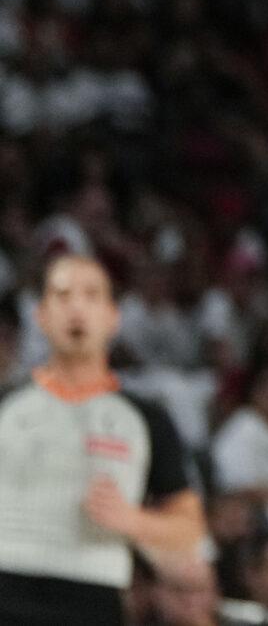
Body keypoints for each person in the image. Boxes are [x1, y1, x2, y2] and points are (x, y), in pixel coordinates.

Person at [0, 254, 207, 625]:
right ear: (41, 315)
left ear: (114, 316)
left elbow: (189, 530)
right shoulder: (7, 406)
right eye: (63, 296)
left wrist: (132, 520)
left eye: (91, 295)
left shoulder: (146, 419)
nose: (76, 308)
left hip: (92, 595)